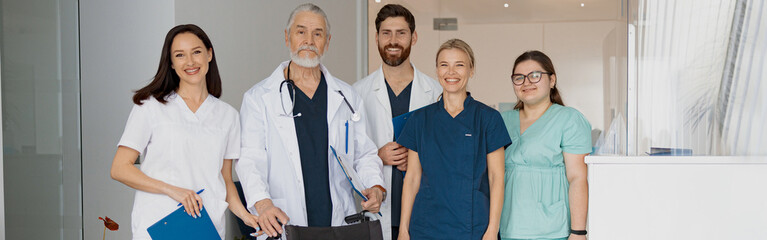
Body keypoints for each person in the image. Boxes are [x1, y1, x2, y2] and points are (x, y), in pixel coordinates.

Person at [236, 3, 385, 239]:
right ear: (287, 37)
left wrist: (376, 187)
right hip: (285, 220)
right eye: (301, 31)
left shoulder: (346, 96)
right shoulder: (259, 98)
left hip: (338, 222)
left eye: (318, 33)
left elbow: (364, 154)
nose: (309, 40)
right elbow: (249, 160)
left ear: (327, 41)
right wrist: (262, 204)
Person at [110, 24, 259, 240]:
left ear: (209, 54)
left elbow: (225, 180)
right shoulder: (150, 107)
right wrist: (172, 190)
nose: (190, 62)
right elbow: (119, 168)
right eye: (180, 55)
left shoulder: (228, 116)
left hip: (206, 227)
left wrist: (246, 216)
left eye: (196, 52)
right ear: (171, 63)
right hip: (158, 225)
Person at [396, 39, 511, 240]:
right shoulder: (419, 119)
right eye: (444, 65)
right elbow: (412, 178)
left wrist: (492, 230)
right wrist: (404, 230)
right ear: (437, 70)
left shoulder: (488, 118)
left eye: (459, 65)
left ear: (471, 70)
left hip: (474, 227)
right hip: (425, 226)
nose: (451, 72)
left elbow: (496, 178)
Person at [353, 4, 442, 240]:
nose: (393, 40)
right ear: (376, 38)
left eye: (401, 33)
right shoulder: (356, 93)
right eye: (386, 33)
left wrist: (420, 157)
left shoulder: (435, 92)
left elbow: (448, 152)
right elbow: (342, 153)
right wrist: (376, 156)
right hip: (376, 211)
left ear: (414, 38)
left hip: (422, 211)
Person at [499, 50, 591, 240]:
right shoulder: (501, 121)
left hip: (552, 229)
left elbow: (577, 178)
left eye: (535, 76)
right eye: (519, 78)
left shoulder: (569, 119)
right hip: (508, 228)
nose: (526, 83)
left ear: (552, 80)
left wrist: (578, 232)